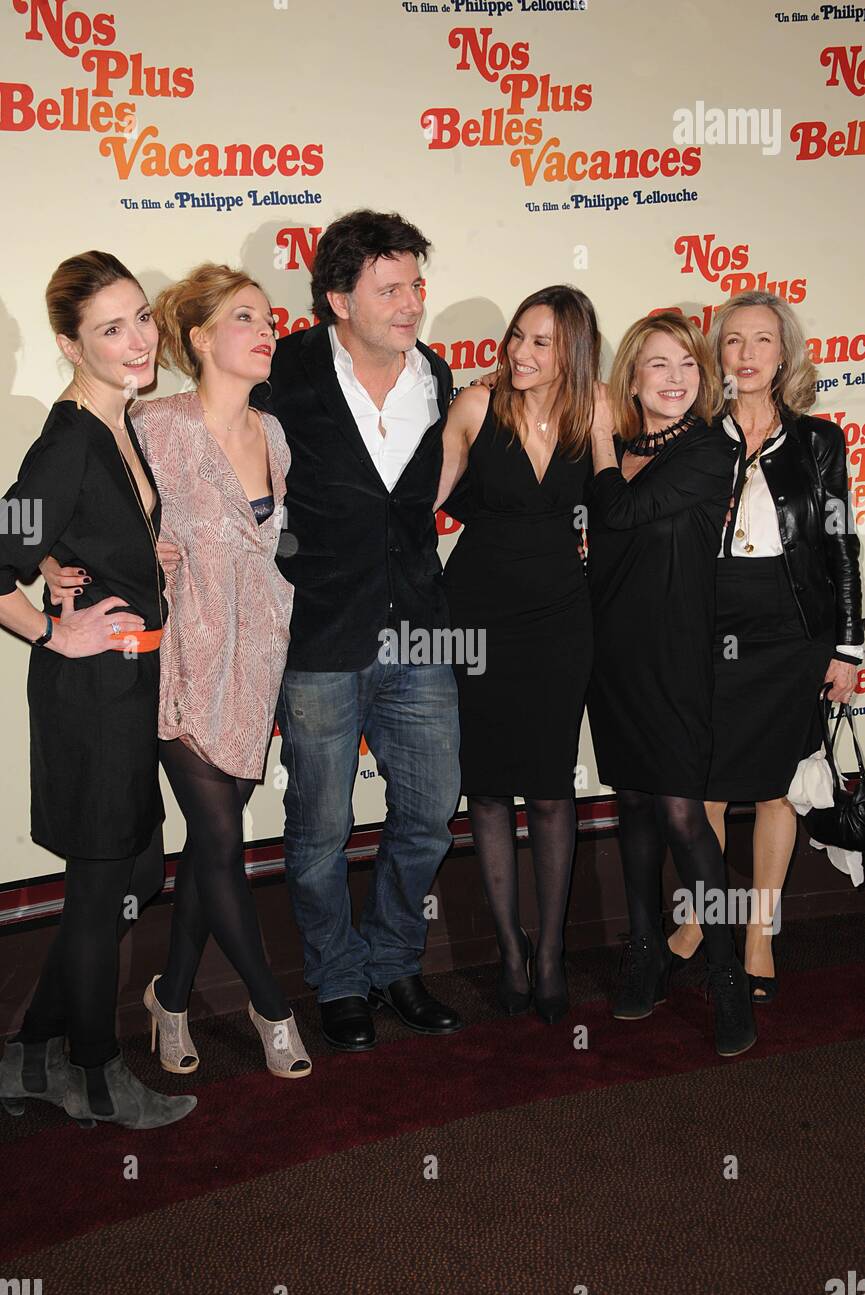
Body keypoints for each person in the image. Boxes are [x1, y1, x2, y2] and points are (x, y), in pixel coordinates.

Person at [42, 264, 311, 1079]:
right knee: (221, 835)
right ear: (197, 337)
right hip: (179, 663)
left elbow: (273, 546)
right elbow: (78, 506)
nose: (267, 331)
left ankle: (174, 996)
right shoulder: (154, 424)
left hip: (256, 656)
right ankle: (271, 1008)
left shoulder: (275, 434)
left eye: (271, 319)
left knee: (208, 847)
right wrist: (57, 566)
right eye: (244, 317)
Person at [258, 209, 462, 1052]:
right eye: (389, 289)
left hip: (419, 631)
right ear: (338, 299)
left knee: (426, 815)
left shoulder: (438, 376)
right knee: (317, 832)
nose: (411, 302)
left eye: (415, 283)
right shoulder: (285, 371)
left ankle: (393, 961)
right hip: (319, 638)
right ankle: (338, 978)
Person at [0, 251, 196, 1129]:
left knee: (135, 871)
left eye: (141, 317)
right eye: (110, 328)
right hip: (91, 699)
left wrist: (132, 557)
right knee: (104, 883)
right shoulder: (69, 436)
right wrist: (50, 627)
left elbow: (69, 529)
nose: (137, 339)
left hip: (131, 684)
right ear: (69, 345)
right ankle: (95, 1072)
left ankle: (30, 1052)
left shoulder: (120, 425)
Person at [665, 291, 863, 1001]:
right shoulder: (687, 437)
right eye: (732, 341)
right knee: (708, 784)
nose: (746, 355)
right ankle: (702, 921)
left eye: (761, 341)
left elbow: (839, 541)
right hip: (706, 627)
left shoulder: (818, 442)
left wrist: (848, 645)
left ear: (785, 355)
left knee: (778, 787)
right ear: (715, 353)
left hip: (790, 631)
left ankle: (758, 935)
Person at [587, 312, 755, 1057]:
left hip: (677, 659)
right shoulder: (618, 448)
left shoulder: (708, 450)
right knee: (633, 807)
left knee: (686, 818)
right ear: (632, 377)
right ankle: (647, 951)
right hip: (610, 658)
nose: (674, 378)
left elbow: (618, 509)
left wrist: (594, 436)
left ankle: (723, 976)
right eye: (656, 365)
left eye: (686, 364)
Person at [436, 286, 598, 1023]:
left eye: (541, 342)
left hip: (562, 618)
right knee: (491, 788)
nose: (521, 354)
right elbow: (418, 504)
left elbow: (615, 502)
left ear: (571, 349)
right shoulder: (475, 406)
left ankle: (552, 951)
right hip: (477, 616)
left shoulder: (595, 407)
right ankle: (508, 949)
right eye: (516, 338)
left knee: (551, 787)